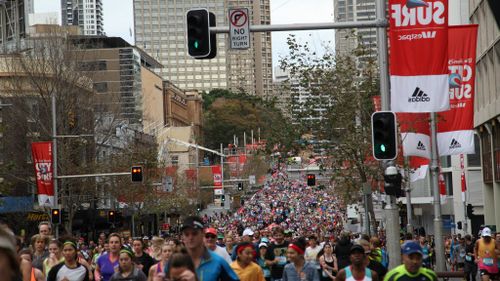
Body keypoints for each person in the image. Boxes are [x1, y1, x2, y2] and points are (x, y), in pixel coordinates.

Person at [180, 216, 239, 281]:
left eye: (194, 233)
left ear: (202, 234)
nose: (190, 237)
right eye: (186, 234)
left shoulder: (218, 261)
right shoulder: (174, 261)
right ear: (182, 236)